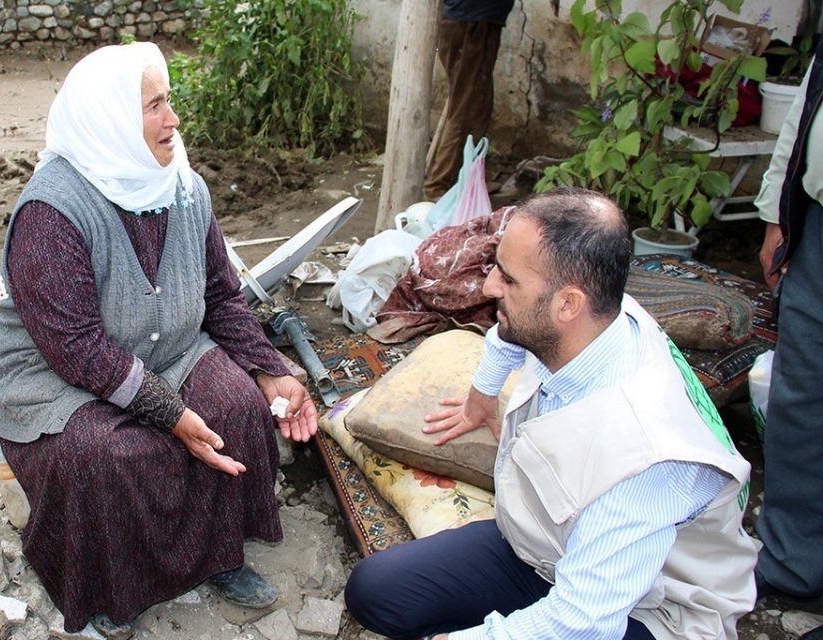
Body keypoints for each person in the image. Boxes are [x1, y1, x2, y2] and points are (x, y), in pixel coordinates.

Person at [0, 42, 318, 636]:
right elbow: (78, 349)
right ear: (109, 119)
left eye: (170, 101)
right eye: (155, 106)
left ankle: (217, 556)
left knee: (239, 405)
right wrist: (171, 412)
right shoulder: (51, 212)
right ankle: (115, 587)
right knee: (107, 456)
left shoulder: (183, 188)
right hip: (57, 379)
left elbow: (220, 294)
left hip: (169, 350)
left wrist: (271, 370)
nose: (174, 119)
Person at [344, 187, 758, 639]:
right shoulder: (597, 315)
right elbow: (507, 331)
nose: (488, 287)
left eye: (508, 279)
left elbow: (581, 622)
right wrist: (482, 394)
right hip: (547, 553)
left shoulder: (645, 456)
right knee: (376, 590)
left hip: (649, 609)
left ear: (567, 303)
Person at [753, 48, 823, 639]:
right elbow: (808, 104)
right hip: (820, 217)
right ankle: (790, 563)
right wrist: (781, 211)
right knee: (800, 397)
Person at [423, 0, 515, 200]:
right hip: (471, 25)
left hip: (474, 22)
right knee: (465, 110)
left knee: (478, 105)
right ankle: (437, 186)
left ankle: (469, 179)